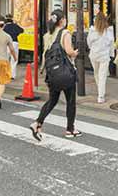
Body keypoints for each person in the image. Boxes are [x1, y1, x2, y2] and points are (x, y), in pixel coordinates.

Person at [31, 10, 79, 140]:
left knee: (52, 100)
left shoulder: (47, 35)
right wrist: (76, 52)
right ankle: (70, 129)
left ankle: (38, 123)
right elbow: (69, 51)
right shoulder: (65, 33)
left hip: (52, 74)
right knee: (70, 101)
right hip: (66, 73)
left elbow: (45, 56)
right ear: (62, 20)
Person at [87, 11, 116, 104]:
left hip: (94, 55)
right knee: (102, 75)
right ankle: (101, 95)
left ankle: (101, 91)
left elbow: (89, 43)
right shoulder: (108, 31)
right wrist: (111, 54)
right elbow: (112, 43)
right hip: (104, 55)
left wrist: (94, 48)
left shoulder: (92, 30)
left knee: (96, 73)